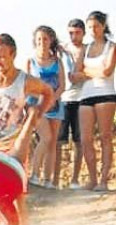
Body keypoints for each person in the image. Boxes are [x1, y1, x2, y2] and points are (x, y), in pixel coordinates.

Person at [77, 11, 116, 191]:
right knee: (85, 139)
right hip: (86, 95)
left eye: (96, 26)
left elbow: (107, 72)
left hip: (105, 94)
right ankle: (92, 179)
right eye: (90, 27)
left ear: (103, 27)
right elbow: (74, 75)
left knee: (105, 136)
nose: (93, 30)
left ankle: (104, 180)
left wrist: (86, 73)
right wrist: (91, 73)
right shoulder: (85, 49)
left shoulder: (111, 46)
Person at [26, 26, 66, 189]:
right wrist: (43, 100)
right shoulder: (31, 61)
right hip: (36, 105)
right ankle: (34, 174)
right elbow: (27, 86)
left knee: (52, 142)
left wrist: (52, 99)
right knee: (45, 137)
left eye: (45, 39)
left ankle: (48, 179)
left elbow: (62, 85)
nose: (42, 42)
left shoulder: (58, 61)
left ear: (51, 41)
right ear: (35, 42)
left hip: (55, 105)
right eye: (39, 39)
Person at [60, 19, 87, 189]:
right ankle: (55, 178)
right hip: (63, 98)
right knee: (58, 141)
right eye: (71, 32)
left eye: (77, 32)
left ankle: (75, 179)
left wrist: (82, 75)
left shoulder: (88, 50)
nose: (74, 36)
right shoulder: (62, 49)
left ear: (83, 33)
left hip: (82, 98)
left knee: (79, 141)